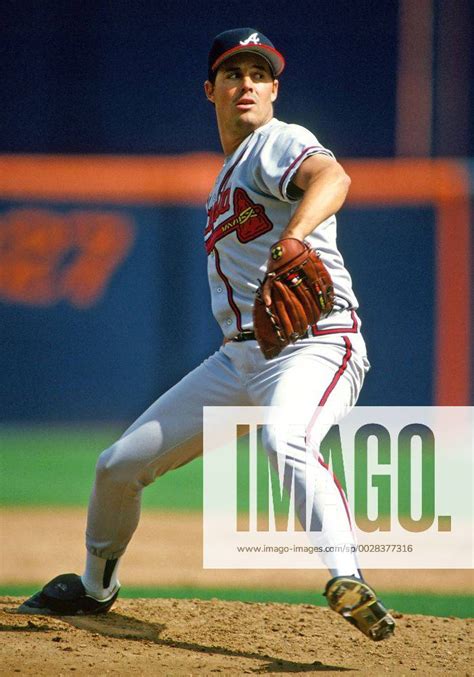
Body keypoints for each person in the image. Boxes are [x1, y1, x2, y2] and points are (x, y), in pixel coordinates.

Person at [19, 28, 395, 641]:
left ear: (274, 91)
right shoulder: (225, 180)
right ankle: (95, 587)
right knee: (117, 466)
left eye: (258, 74)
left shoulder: (281, 140)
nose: (245, 83)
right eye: (231, 74)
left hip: (315, 343)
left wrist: (295, 235)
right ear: (210, 90)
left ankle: (347, 577)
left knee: (284, 438)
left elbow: (334, 180)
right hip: (239, 359)